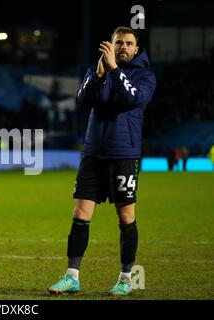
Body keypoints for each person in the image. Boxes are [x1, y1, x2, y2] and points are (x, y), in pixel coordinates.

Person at [48, 26, 156, 296]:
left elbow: (133, 97)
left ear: (136, 48)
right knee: (79, 215)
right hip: (93, 153)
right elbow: (81, 101)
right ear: (110, 44)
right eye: (118, 42)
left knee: (126, 217)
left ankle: (125, 278)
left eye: (128, 43)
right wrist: (98, 75)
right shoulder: (97, 71)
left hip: (124, 154)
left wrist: (114, 71)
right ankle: (72, 276)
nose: (123, 47)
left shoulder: (145, 76)